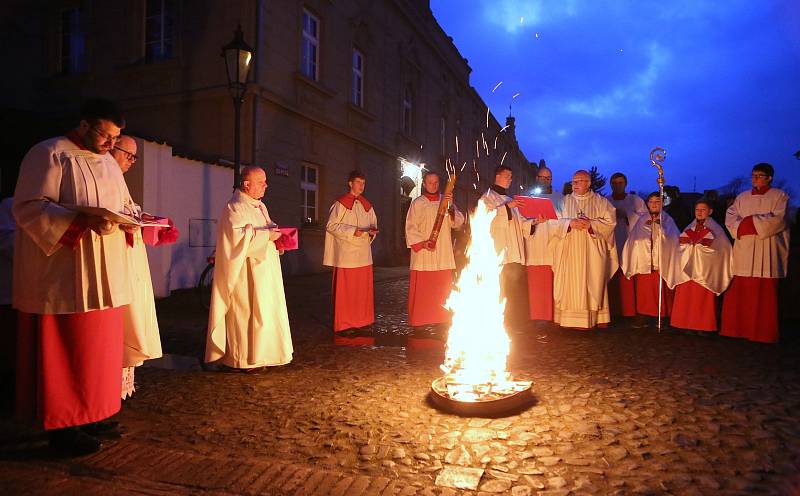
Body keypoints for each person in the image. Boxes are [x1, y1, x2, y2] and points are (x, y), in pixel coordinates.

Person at [13, 99, 132, 455]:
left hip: (106, 272)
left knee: (101, 349)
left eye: (116, 137)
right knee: (70, 348)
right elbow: (29, 207)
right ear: (84, 125)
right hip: (66, 272)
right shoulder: (49, 153)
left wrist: (137, 219)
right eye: (106, 135)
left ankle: (94, 412)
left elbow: (125, 205)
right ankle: (64, 428)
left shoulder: (109, 163)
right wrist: (80, 221)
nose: (112, 144)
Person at [205, 166, 293, 370]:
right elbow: (236, 239)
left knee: (265, 312)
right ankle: (243, 359)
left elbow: (263, 229)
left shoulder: (260, 206)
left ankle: (264, 355)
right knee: (245, 313)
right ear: (246, 184)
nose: (266, 185)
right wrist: (266, 236)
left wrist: (278, 237)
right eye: (261, 182)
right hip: (244, 273)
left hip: (265, 271)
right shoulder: (234, 207)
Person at [110, 136, 163, 398]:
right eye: (128, 155)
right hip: (116, 265)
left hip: (131, 261)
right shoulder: (106, 175)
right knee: (122, 324)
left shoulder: (118, 179)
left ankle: (123, 385)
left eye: (134, 157)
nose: (132, 161)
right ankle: (111, 388)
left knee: (133, 319)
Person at [721, 163, 790, 343]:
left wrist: (750, 223)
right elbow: (730, 217)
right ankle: (736, 330)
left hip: (766, 248)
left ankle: (763, 333)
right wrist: (744, 226)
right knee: (740, 291)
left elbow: (778, 219)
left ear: (769, 178)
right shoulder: (742, 197)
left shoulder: (779, 196)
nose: (755, 178)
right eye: (753, 175)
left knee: (765, 294)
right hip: (745, 249)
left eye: (759, 175)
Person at [550, 170, 617, 329]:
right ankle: (568, 320)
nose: (575, 184)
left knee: (593, 280)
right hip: (569, 250)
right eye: (573, 181)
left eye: (579, 181)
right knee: (570, 283)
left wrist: (591, 225)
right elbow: (552, 223)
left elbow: (611, 223)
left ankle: (595, 319)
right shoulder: (563, 202)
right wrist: (569, 224)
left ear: (588, 183)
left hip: (592, 251)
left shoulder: (602, 202)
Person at [404, 171, 464, 337]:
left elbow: (458, 222)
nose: (433, 185)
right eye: (430, 182)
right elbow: (410, 227)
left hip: (442, 251)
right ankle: (420, 321)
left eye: (436, 182)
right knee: (423, 290)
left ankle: (441, 319)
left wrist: (450, 208)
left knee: (442, 288)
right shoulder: (418, 203)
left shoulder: (446, 200)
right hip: (424, 252)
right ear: (424, 184)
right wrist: (423, 243)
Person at [323, 170, 378, 345]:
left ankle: (362, 321)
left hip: (363, 254)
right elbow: (331, 225)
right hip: (346, 254)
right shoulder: (340, 204)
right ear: (350, 183)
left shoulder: (367, 205)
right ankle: (345, 324)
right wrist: (352, 231)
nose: (361, 186)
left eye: (363, 183)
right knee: (346, 291)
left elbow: (374, 225)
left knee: (361, 290)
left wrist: (371, 232)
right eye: (358, 182)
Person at [671, 199, 733, 333]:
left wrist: (700, 249)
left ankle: (703, 326)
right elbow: (680, 246)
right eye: (697, 210)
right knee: (687, 297)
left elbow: (723, 249)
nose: (699, 212)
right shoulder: (689, 227)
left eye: (703, 209)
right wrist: (687, 247)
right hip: (688, 270)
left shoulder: (716, 229)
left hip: (704, 271)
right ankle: (684, 324)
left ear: (710, 211)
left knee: (702, 298)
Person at [621, 192, 682, 326]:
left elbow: (674, 239)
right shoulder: (641, 220)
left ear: (662, 203)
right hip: (644, 264)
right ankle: (644, 314)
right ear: (647, 204)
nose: (654, 204)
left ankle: (661, 315)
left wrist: (662, 233)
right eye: (651, 202)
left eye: (657, 202)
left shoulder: (667, 220)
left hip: (661, 264)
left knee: (660, 291)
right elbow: (634, 239)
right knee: (645, 292)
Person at [482, 165, 529, 332]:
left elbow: (521, 224)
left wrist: (535, 222)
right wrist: (507, 207)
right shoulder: (487, 197)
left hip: (514, 252)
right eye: (507, 176)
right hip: (499, 253)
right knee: (501, 288)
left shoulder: (510, 199)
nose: (510, 179)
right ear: (497, 176)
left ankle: (514, 322)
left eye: (511, 176)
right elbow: (485, 218)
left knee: (514, 290)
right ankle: (499, 323)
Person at [523, 165, 562, 324]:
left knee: (555, 283)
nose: (545, 181)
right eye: (542, 178)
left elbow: (564, 218)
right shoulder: (528, 197)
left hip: (554, 245)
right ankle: (539, 316)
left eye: (548, 178)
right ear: (536, 178)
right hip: (535, 245)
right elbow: (521, 222)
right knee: (537, 285)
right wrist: (533, 222)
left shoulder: (560, 198)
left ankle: (556, 315)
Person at [606, 172, 647, 320]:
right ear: (611, 184)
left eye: (620, 183)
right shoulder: (605, 201)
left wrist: (628, 215)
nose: (618, 185)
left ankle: (629, 310)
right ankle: (613, 310)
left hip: (629, 242)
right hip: (611, 243)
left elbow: (645, 221)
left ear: (626, 184)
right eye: (615, 183)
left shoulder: (635, 200)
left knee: (628, 275)